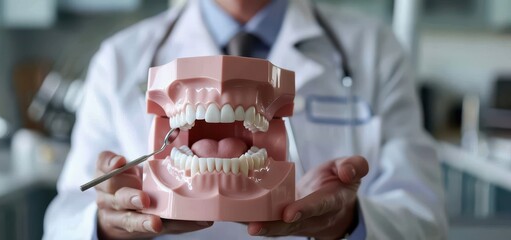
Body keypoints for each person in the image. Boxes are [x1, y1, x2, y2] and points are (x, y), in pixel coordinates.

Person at [43, 0, 448, 239]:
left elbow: (424, 221)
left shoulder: (374, 51)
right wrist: (103, 226)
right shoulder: (119, 59)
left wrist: (349, 222)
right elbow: (62, 222)